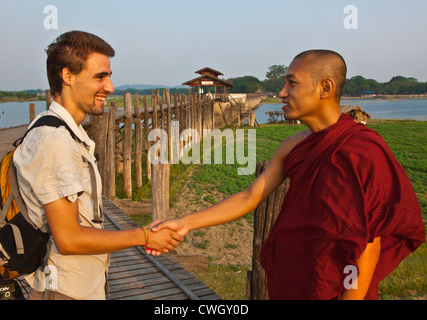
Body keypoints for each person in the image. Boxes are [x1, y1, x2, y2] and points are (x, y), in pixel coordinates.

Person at [151, 50, 426, 300]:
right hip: (294, 278)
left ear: (325, 87)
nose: (282, 93)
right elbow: (249, 197)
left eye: (292, 83)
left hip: (338, 286)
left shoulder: (362, 149)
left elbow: (369, 242)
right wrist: (185, 223)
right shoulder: (294, 144)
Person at [13, 31, 183, 300]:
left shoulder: (66, 132)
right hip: (65, 288)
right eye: (100, 77)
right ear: (67, 76)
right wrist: (145, 237)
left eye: (109, 76)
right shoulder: (54, 141)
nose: (111, 87)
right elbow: (68, 239)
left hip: (83, 283)